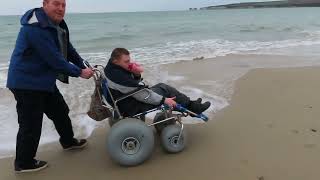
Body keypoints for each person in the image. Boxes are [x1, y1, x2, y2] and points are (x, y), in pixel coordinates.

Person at [6, 0, 94, 173]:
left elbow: (68, 49)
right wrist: (80, 72)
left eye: (63, 5)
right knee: (30, 124)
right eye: (56, 4)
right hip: (26, 83)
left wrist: (84, 65)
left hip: (42, 81)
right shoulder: (35, 28)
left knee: (60, 111)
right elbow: (55, 59)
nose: (61, 8)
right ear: (45, 4)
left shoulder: (57, 25)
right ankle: (23, 163)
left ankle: (68, 142)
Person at [104, 48, 211, 118]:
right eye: (126, 61)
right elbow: (141, 94)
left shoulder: (111, 69)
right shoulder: (119, 77)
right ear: (115, 61)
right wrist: (164, 100)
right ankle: (193, 107)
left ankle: (190, 104)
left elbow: (131, 86)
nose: (129, 63)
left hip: (125, 100)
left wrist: (136, 74)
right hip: (131, 106)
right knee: (165, 89)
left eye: (129, 60)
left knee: (161, 86)